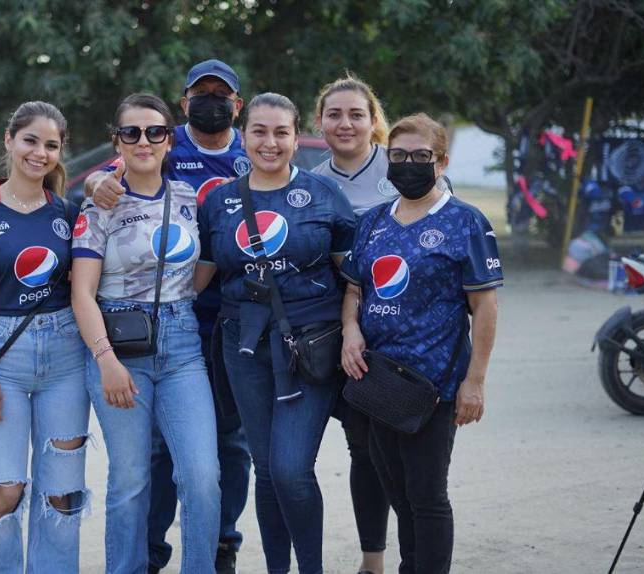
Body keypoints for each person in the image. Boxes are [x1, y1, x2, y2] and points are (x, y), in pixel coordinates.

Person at [85, 58, 251, 574]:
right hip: (128, 334)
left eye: (221, 94)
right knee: (141, 467)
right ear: (183, 105)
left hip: (207, 331)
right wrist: (94, 183)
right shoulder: (167, 150)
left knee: (218, 459)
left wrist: (183, 293)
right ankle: (145, 558)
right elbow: (112, 172)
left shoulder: (256, 152)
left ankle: (218, 550)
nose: (145, 139)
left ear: (237, 105)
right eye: (201, 93)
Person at [195, 92, 357, 574]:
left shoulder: (324, 195)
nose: (270, 142)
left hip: (308, 345)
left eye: (281, 132)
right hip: (241, 345)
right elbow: (199, 276)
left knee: (290, 467)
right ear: (243, 135)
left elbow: (353, 279)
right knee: (266, 469)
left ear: (295, 136)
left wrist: (352, 330)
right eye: (259, 131)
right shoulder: (221, 200)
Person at [340, 113, 502, 574]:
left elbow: (485, 308)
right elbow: (354, 289)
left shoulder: (465, 222)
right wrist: (351, 330)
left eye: (419, 157)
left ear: (441, 161)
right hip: (377, 382)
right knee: (396, 489)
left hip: (436, 386)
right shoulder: (372, 222)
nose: (407, 164)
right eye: (398, 155)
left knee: (427, 496)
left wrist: (476, 382)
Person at [0, 101, 88, 573]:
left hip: (66, 358)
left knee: (62, 493)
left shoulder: (69, 214)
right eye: (31, 140)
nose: (40, 152)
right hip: (3, 355)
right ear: (9, 140)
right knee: (5, 487)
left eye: (51, 145)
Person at [311, 73, 393, 574]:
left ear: (373, 122)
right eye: (335, 114)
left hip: (395, 338)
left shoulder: (401, 169)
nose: (345, 123)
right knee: (356, 447)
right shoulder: (310, 183)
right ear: (319, 122)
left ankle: (392, 558)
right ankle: (370, 560)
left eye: (356, 114)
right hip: (331, 335)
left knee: (385, 451)